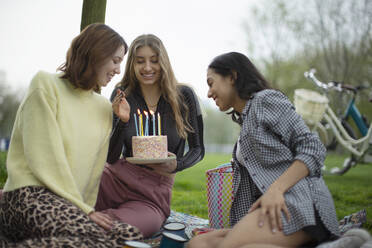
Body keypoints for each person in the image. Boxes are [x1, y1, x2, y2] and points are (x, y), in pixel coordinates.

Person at [0, 23, 143, 247]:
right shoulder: (45, 84)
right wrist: (84, 211)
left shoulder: (103, 107)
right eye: (115, 61)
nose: (118, 70)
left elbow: (99, 166)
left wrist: (121, 122)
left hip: (69, 206)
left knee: (130, 237)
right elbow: (45, 156)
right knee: (98, 240)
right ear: (97, 53)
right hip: (28, 196)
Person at [187, 52, 340, 248]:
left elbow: (313, 147)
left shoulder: (265, 100)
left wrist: (276, 190)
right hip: (272, 208)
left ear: (232, 76)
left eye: (211, 83)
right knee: (199, 244)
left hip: (301, 205)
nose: (209, 93)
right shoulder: (246, 119)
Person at [94, 34, 205, 238]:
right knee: (71, 194)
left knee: (130, 230)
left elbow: (199, 149)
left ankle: (86, 222)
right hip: (115, 178)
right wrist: (123, 121)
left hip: (153, 193)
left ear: (163, 62)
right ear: (132, 65)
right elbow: (110, 157)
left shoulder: (185, 96)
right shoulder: (121, 94)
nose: (147, 67)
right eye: (140, 61)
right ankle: (80, 215)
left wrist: (177, 165)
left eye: (154, 60)